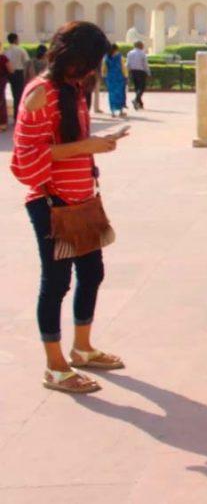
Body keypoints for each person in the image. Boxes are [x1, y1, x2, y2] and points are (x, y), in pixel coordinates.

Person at [10, 21, 127, 394]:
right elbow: (25, 163)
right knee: (57, 282)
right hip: (52, 203)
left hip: (81, 201)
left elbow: (72, 143)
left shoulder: (71, 90)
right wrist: (85, 147)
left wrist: (96, 144)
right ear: (72, 58)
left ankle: (82, 348)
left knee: (92, 274)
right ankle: (55, 367)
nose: (92, 70)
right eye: (88, 62)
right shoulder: (40, 93)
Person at [4, 32, 30, 119]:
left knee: (14, 94)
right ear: (15, 39)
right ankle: (18, 115)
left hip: (9, 74)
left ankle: (16, 115)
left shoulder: (6, 51)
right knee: (19, 95)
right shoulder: (20, 49)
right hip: (19, 73)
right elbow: (27, 62)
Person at [102, 45, 128, 118]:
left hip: (110, 78)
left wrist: (104, 76)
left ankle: (112, 112)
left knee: (111, 94)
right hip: (119, 77)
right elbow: (123, 67)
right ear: (116, 49)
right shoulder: (120, 57)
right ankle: (120, 111)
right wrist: (126, 76)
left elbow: (104, 68)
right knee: (120, 94)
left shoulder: (106, 57)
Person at [126, 41, 150, 110]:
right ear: (140, 46)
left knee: (137, 87)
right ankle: (136, 100)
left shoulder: (130, 53)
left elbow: (128, 63)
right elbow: (145, 64)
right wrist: (148, 72)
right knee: (142, 87)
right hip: (141, 72)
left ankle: (139, 103)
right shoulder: (142, 53)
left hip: (133, 71)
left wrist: (127, 71)